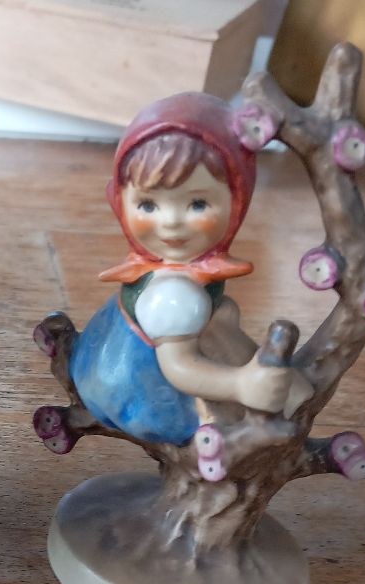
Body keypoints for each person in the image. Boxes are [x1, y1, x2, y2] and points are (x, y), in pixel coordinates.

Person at [68, 92, 311, 449]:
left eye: (197, 204)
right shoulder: (173, 294)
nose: (170, 223)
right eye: (148, 204)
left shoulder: (179, 280)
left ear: (237, 203)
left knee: (221, 322)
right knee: (240, 404)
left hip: (106, 371)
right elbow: (180, 369)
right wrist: (240, 385)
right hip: (143, 397)